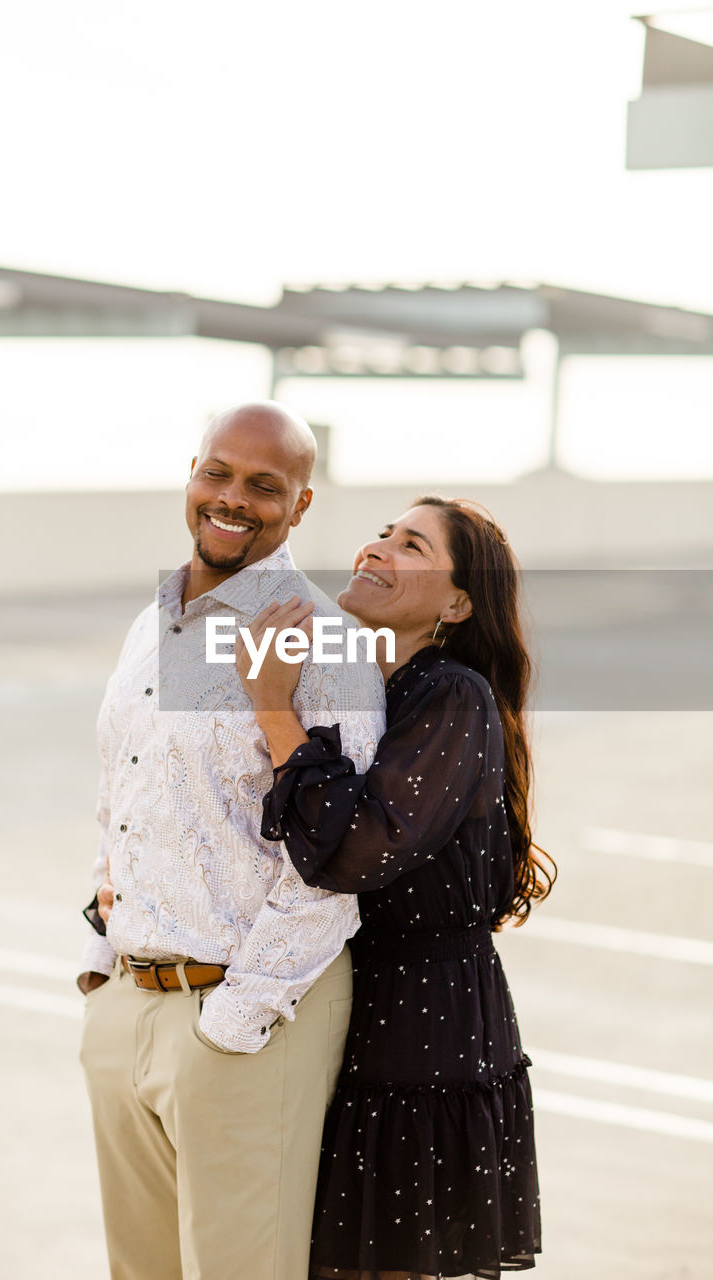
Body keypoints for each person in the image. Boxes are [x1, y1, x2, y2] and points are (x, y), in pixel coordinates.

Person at [77, 401, 385, 1280]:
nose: (232, 498)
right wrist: (103, 964)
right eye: (217, 472)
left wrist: (234, 1023)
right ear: (191, 475)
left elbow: (336, 858)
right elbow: (121, 789)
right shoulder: (155, 623)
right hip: (130, 1002)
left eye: (264, 485)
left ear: (301, 505)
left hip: (246, 1022)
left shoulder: (318, 637)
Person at [233, 496, 555, 1280]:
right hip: (343, 1004)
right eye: (380, 532)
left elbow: (353, 853)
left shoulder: (450, 694)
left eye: (410, 543)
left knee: (382, 1263)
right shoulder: (353, 684)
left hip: (424, 1028)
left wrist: (272, 708)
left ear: (455, 603)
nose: (376, 547)